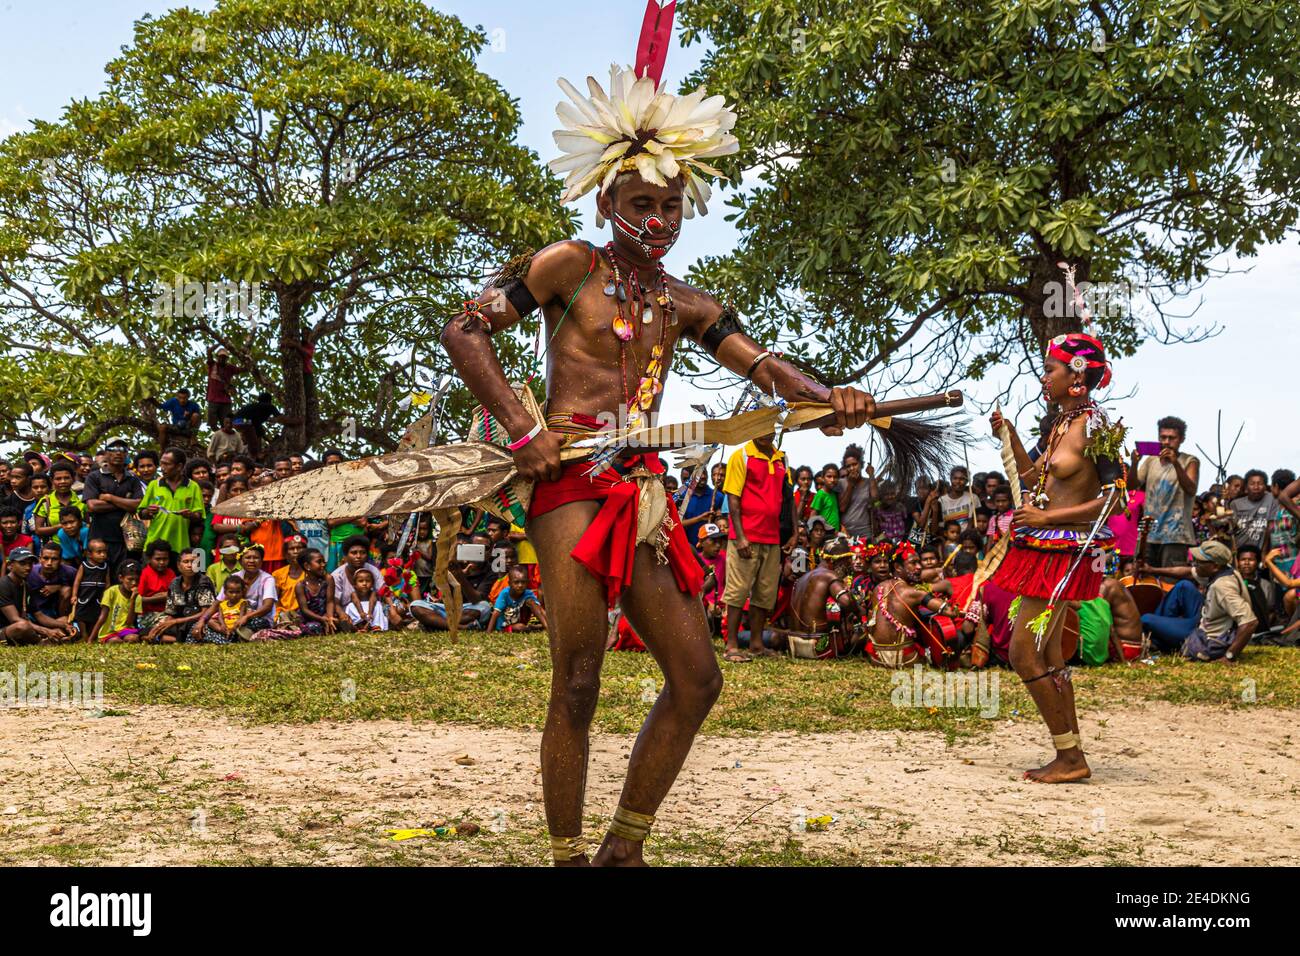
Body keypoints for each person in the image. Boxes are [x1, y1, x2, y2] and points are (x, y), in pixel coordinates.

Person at [439, 54, 874, 865]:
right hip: (568, 480)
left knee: (698, 677)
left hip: (640, 489)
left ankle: (623, 850)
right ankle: (568, 858)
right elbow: (465, 330)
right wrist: (521, 429)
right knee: (578, 680)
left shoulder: (685, 302)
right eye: (642, 203)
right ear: (607, 200)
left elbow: (764, 368)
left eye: (672, 205)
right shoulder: (570, 266)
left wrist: (831, 396)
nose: (660, 219)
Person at [988, 331, 1122, 783]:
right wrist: (1009, 437)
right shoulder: (1060, 425)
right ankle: (1072, 754)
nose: (1044, 377)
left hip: (1063, 556)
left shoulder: (1097, 426)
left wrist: (1050, 519)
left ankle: (1070, 757)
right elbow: (1034, 479)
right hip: (1046, 552)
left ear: (1077, 377)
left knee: (1024, 654)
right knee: (1046, 652)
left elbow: (1115, 500)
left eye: (1051, 369)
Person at [721, 433, 794, 663]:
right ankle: (731, 645)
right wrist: (740, 536)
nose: (766, 434)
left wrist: (795, 531)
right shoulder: (740, 455)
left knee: (765, 593)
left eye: (770, 428)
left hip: (772, 537)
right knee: (737, 591)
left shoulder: (782, 458)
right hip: (746, 536)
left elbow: (788, 498)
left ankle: (756, 644)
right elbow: (733, 498)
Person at [1143, 540, 1258, 662]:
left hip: (1206, 636)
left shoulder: (1223, 587)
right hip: (1204, 618)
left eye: (1199, 562)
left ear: (1215, 566)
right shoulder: (1225, 568)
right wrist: (1151, 570)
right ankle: (1160, 639)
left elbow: (1250, 622)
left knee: (1146, 619)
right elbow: (1188, 572)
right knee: (1183, 586)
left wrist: (1229, 656)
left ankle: (1160, 640)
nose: (1195, 563)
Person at [865, 542, 956, 667]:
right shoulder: (915, 592)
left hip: (876, 659)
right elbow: (949, 612)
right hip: (905, 659)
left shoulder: (878, 588)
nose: (919, 567)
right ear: (897, 567)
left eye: (919, 563)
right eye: (913, 563)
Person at [1134, 416, 1199, 569]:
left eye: (1172, 438)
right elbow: (1133, 485)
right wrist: (1134, 463)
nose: (1167, 442)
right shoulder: (1151, 460)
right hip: (1148, 534)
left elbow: (1191, 489)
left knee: (1169, 584)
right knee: (1144, 582)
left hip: (1176, 536)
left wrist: (1175, 462)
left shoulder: (1190, 461)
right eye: (1163, 437)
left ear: (1181, 439)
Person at [82, 439, 146, 576]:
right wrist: (125, 503)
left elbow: (138, 505)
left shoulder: (133, 479)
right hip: (99, 539)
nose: (118, 452)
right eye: (113, 449)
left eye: (122, 449)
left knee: (123, 580)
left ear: (127, 454)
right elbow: (92, 506)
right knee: (97, 580)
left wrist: (110, 498)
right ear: (105, 453)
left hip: (126, 541)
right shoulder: (94, 476)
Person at [788, 537, 860, 655]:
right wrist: (859, 610)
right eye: (845, 560)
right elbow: (846, 602)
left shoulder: (802, 578)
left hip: (793, 643)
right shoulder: (829, 576)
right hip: (819, 647)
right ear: (831, 561)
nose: (848, 565)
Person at [138, 446, 205, 562]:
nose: (162, 468)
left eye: (167, 464)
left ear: (179, 466)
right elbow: (141, 513)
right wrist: (148, 511)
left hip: (180, 546)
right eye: (161, 464)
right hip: (154, 545)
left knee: (177, 580)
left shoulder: (193, 487)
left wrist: (190, 515)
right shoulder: (154, 485)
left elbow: (199, 516)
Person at [143, 549, 215, 643]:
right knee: (147, 632)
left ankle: (174, 640)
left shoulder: (203, 582)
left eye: (194, 562)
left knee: (193, 628)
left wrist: (175, 621)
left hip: (197, 621)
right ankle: (175, 639)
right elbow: (171, 613)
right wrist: (163, 626)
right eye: (186, 562)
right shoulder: (174, 583)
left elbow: (205, 613)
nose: (190, 565)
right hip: (180, 623)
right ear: (178, 566)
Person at [26, 541, 78, 642]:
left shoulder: (70, 572)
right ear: (40, 558)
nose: (49, 563)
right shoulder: (30, 572)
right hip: (35, 615)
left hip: (57, 616)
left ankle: (56, 631)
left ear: (60, 560)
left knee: (67, 590)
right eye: (46, 558)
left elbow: (80, 592)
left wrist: (58, 587)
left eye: (54, 559)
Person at [31, 460, 86, 542]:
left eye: (66, 478)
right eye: (58, 479)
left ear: (73, 479)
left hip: (80, 548)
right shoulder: (46, 501)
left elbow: (88, 524)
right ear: (52, 480)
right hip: (56, 550)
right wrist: (61, 526)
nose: (62, 481)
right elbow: (38, 530)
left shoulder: (82, 498)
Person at [68, 538, 111, 641]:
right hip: (85, 596)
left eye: (105, 552)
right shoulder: (84, 565)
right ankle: (84, 635)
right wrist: (74, 595)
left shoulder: (105, 567)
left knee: (95, 614)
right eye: (99, 552)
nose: (103, 555)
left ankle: (93, 634)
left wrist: (107, 595)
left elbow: (107, 582)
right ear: (89, 554)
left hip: (98, 596)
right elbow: (77, 581)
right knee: (81, 615)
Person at [90, 562, 142, 643]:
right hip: (108, 632)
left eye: (137, 580)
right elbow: (102, 617)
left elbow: (129, 622)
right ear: (121, 578)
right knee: (115, 641)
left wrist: (133, 600)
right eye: (130, 579)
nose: (134, 583)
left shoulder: (137, 596)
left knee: (133, 638)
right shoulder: (111, 591)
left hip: (126, 630)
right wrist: (91, 639)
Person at [486, 565, 547, 632]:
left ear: (527, 582)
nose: (520, 585)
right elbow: (496, 613)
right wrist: (489, 632)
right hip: (504, 626)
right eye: (516, 582)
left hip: (520, 622)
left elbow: (539, 609)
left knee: (532, 602)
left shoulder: (528, 593)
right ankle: (533, 628)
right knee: (520, 627)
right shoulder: (505, 593)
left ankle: (547, 627)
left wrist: (549, 623)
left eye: (523, 582)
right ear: (509, 583)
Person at [192, 574, 251, 644]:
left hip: (237, 626)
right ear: (225, 593)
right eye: (231, 592)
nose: (234, 595)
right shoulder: (222, 604)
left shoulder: (242, 603)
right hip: (225, 627)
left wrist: (235, 626)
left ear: (242, 592)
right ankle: (225, 633)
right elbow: (220, 616)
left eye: (238, 592)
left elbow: (241, 616)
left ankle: (230, 637)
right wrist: (222, 625)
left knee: (243, 628)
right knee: (210, 622)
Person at [836, 445, 875, 538]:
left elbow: (875, 498)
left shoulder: (868, 482)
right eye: (848, 466)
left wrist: (871, 475)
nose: (852, 468)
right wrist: (851, 484)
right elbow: (842, 508)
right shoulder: (841, 483)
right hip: (846, 532)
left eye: (855, 464)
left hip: (865, 532)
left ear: (861, 464)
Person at [1229, 470, 1274, 550]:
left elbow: (1271, 526)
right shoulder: (1235, 504)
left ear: (1265, 486)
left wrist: (1263, 552)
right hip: (1241, 551)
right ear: (1246, 487)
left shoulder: (1272, 499)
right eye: (1252, 484)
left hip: (1264, 552)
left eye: (1260, 484)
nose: (1256, 487)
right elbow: (1232, 529)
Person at [205, 346, 245, 430]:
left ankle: (233, 433)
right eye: (220, 357)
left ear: (227, 359)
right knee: (212, 423)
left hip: (225, 400)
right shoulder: (212, 365)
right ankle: (218, 437)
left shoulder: (230, 368)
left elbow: (243, 369)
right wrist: (220, 342)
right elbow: (209, 351)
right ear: (217, 357)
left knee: (227, 423)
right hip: (213, 399)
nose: (222, 359)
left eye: (224, 357)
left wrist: (245, 357)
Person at [1267, 469, 1299, 565]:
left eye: (1271, 486)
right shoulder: (1276, 509)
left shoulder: (1295, 508)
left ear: (1276, 486)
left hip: (1295, 568)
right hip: (1278, 566)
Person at [345, 567, 388, 632]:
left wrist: (370, 613)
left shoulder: (373, 593)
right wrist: (361, 612)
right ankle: (359, 625)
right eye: (360, 581)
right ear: (355, 584)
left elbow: (372, 602)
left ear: (372, 583)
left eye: (367, 581)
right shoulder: (354, 594)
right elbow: (356, 602)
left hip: (370, 610)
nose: (364, 584)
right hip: (359, 610)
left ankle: (375, 625)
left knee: (378, 605)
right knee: (351, 606)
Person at [938, 466, 979, 532]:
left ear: (967, 481)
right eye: (955, 478)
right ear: (950, 479)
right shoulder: (941, 500)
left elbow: (972, 523)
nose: (958, 481)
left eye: (962, 479)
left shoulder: (973, 498)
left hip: (967, 538)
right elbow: (940, 526)